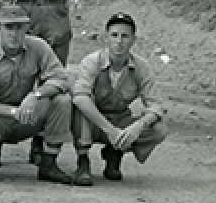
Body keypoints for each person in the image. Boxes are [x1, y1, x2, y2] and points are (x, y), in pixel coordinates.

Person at [0, 6, 79, 185]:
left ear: (27, 28)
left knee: (62, 101)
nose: (14, 33)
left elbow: (63, 80)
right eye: (8, 27)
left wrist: (36, 95)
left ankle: (49, 163)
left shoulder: (39, 47)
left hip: (28, 113)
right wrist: (12, 111)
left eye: (19, 27)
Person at [70, 12, 171, 182]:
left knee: (158, 129)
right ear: (105, 38)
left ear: (133, 40)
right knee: (81, 108)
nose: (119, 41)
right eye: (114, 35)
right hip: (94, 121)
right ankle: (83, 161)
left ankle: (115, 152)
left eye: (125, 36)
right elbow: (80, 97)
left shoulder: (141, 67)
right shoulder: (92, 61)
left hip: (119, 117)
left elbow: (156, 105)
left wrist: (137, 127)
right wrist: (110, 130)